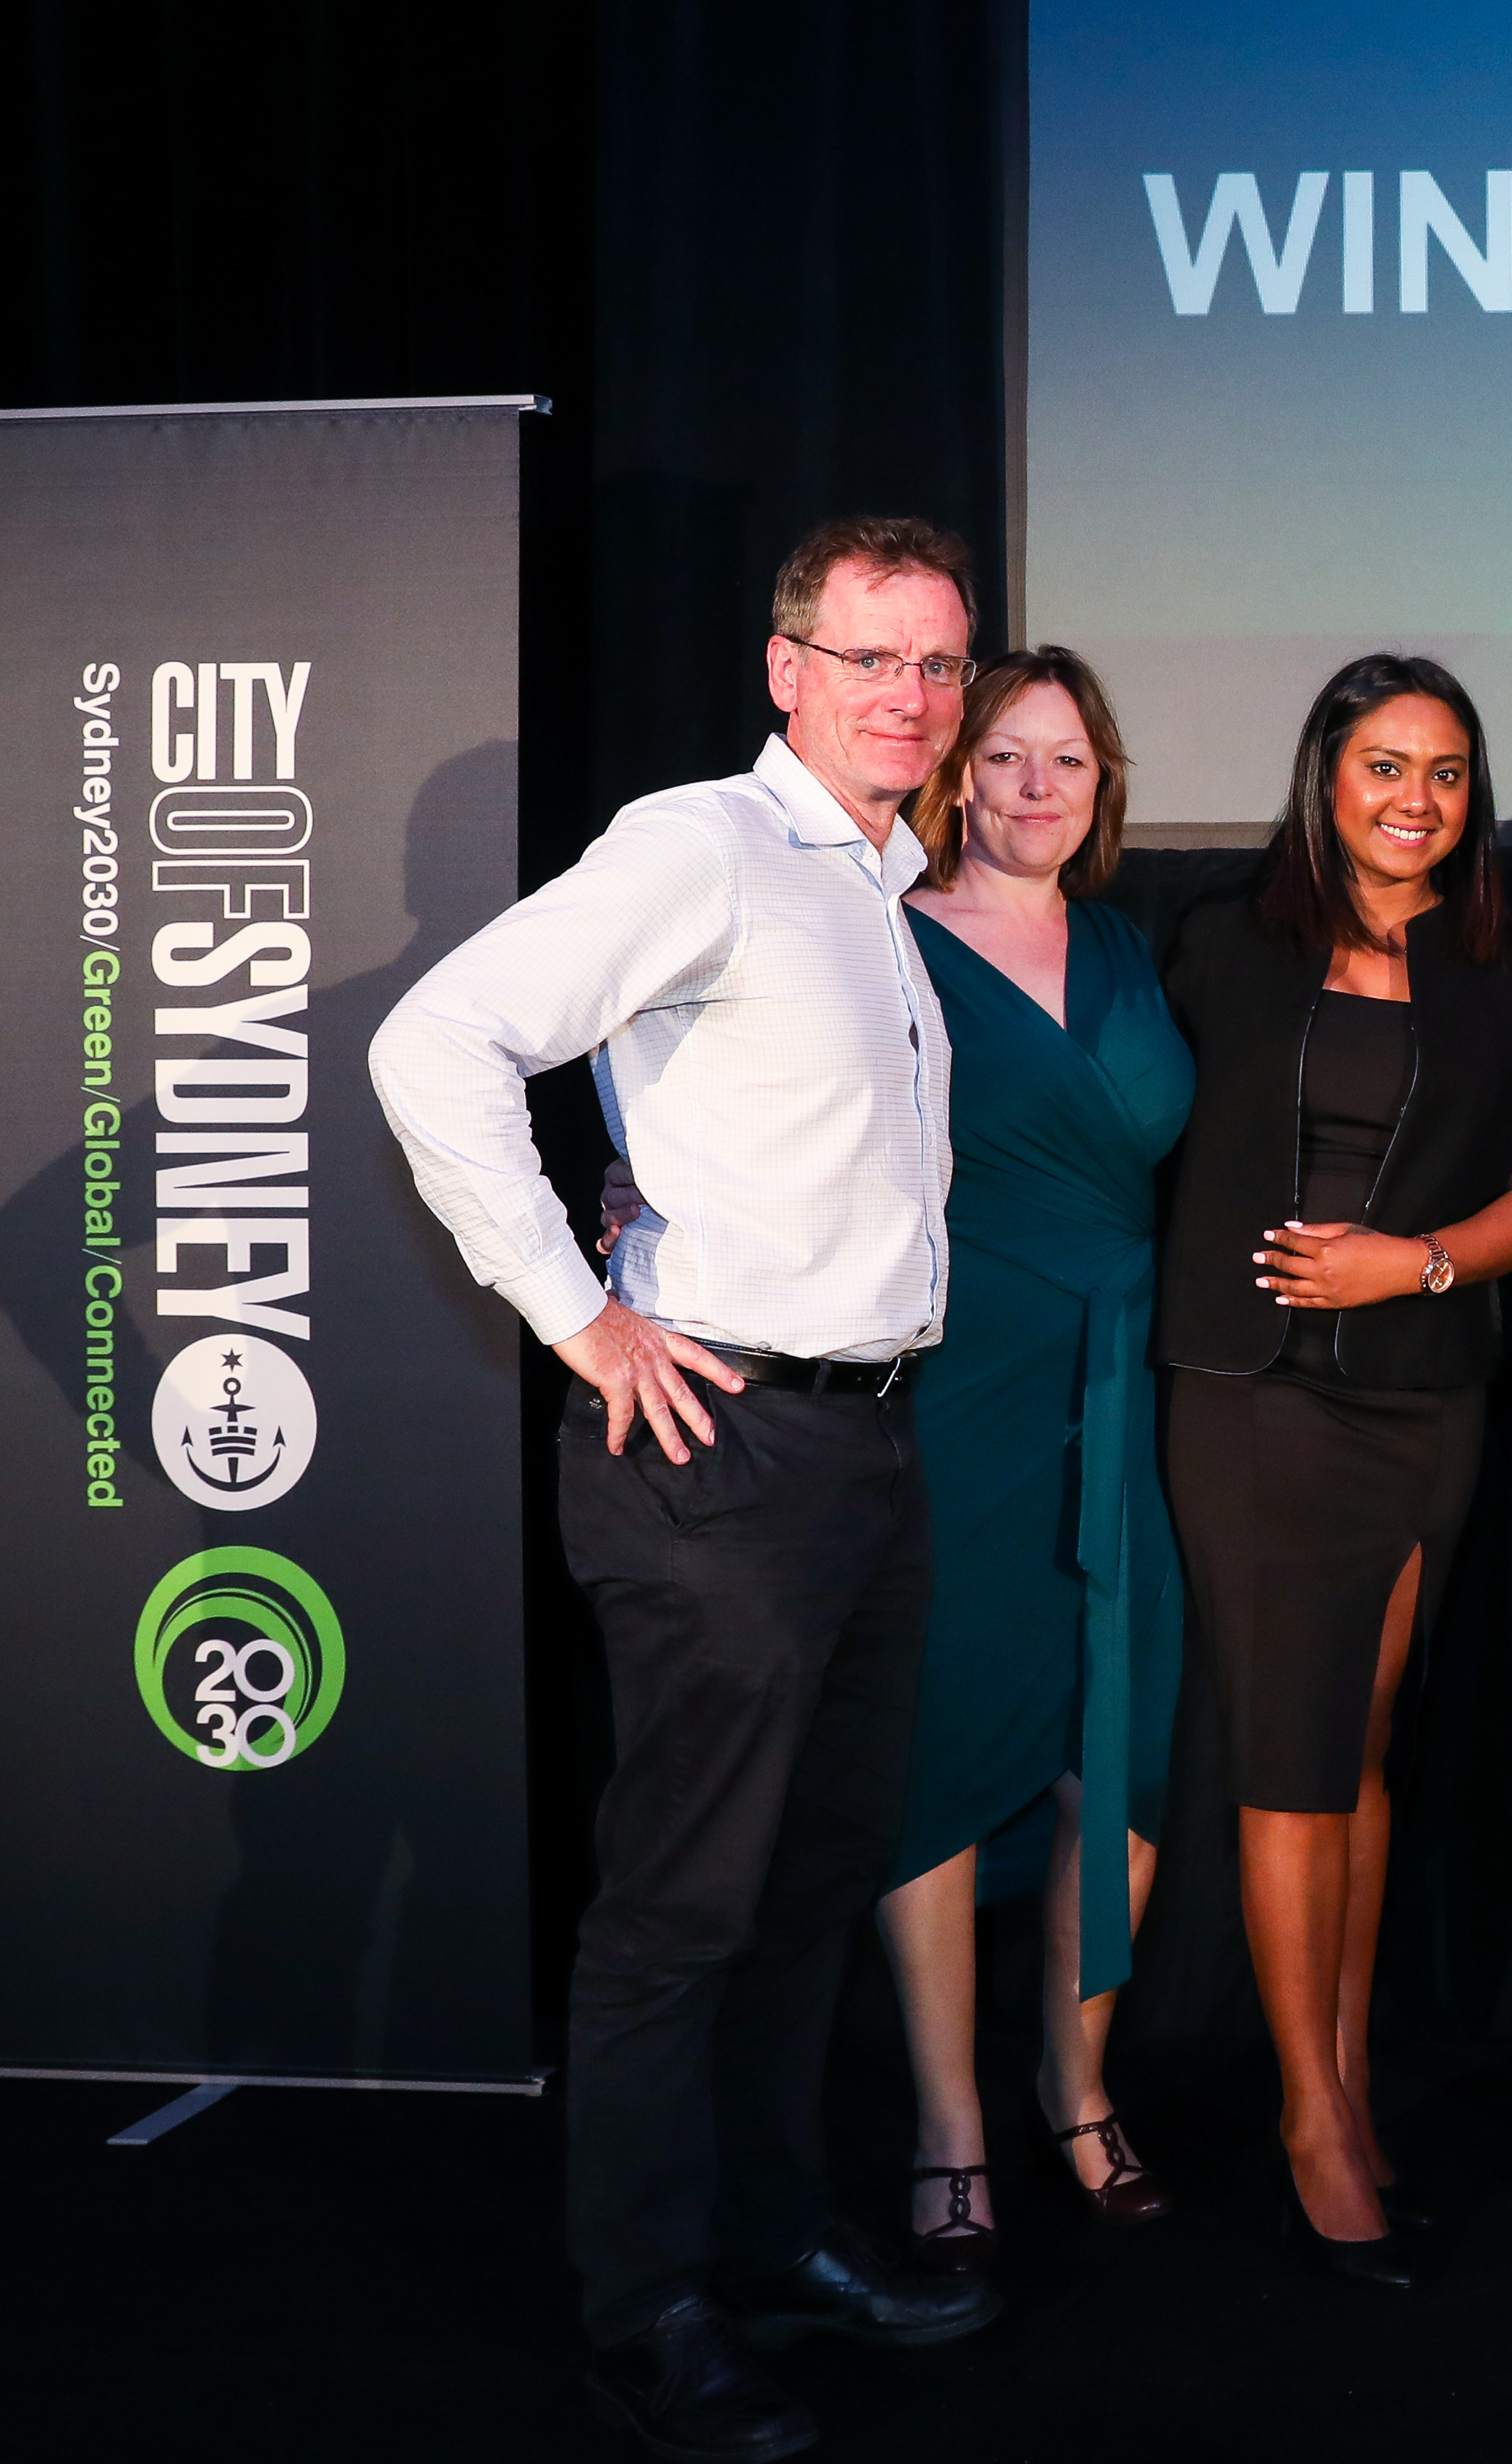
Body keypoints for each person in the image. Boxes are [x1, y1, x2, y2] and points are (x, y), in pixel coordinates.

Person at [371, 515, 1003, 2463]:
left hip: (864, 1445)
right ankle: (645, 2311)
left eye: (940, 662)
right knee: (681, 1907)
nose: (911, 693)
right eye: (873, 656)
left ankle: (767, 2236)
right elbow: (435, 1039)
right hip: (719, 1453)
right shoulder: (700, 846)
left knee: (806, 1886)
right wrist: (579, 1314)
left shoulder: (880, 880)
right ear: (785, 665)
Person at [1151, 652, 1512, 2286]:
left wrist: (1424, 1265)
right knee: (1292, 1756)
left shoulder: (1509, 962)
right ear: (1327, 775)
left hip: (1424, 1391)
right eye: (1387, 764)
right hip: (1257, 1405)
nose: (1417, 799)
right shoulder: (1215, 946)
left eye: (1448, 771)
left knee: (1370, 1745)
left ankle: (1355, 2077)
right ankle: (1310, 2116)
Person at [869, 648, 1192, 2271]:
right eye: (1007, 757)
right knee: (940, 1745)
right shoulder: (886, 939)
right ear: (957, 773)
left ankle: (1079, 2090)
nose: (1038, 786)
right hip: (960, 1381)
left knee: (1116, 1759)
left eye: (1068, 759)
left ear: (1101, 781)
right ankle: (949, 2124)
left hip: (1121, 1382)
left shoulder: (1131, 948)